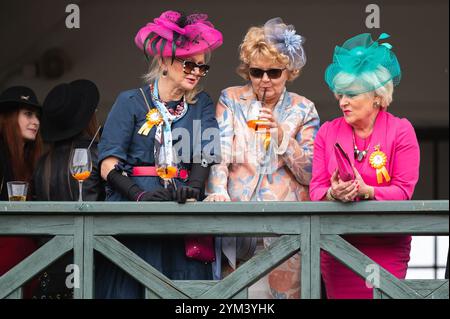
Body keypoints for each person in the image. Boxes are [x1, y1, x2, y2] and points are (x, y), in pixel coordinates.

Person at [95, 10, 223, 298]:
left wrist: (194, 188)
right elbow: (108, 165)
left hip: (183, 215)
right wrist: (139, 195)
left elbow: (207, 151)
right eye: (189, 64)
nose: (196, 72)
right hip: (134, 217)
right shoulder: (129, 101)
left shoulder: (201, 102)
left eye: (202, 68)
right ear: (165, 60)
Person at [205, 18, 320, 299]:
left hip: (286, 231)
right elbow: (218, 152)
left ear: (289, 72)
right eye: (256, 72)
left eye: (274, 72)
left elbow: (311, 171)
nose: (265, 80)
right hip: (237, 225)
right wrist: (218, 192)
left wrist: (282, 136)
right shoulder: (231, 98)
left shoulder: (304, 109)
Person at [310, 33, 420, 298]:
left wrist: (367, 190)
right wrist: (333, 194)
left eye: (351, 94)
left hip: (386, 245)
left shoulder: (401, 130)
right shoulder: (327, 132)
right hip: (338, 245)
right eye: (340, 94)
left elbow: (404, 192)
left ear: (376, 95)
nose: (342, 101)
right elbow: (315, 190)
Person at [31, 79, 105, 299]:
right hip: (95, 266)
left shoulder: (41, 163)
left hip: (51, 268)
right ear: (89, 118)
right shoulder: (97, 156)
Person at [0, 86, 42, 297]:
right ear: (8, 117)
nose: (35, 121)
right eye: (28, 114)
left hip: (26, 258)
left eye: (37, 116)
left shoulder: (29, 158)